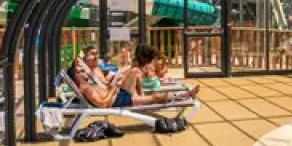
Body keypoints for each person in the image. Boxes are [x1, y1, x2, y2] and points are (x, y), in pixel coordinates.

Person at [68, 54, 199, 109]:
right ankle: (184, 96)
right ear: (76, 75)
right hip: (118, 100)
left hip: (118, 94)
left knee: (135, 71)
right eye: (80, 69)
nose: (83, 70)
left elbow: (104, 92)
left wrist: (114, 84)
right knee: (155, 97)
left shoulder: (87, 83)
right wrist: (113, 89)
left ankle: (140, 95)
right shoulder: (85, 88)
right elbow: (102, 104)